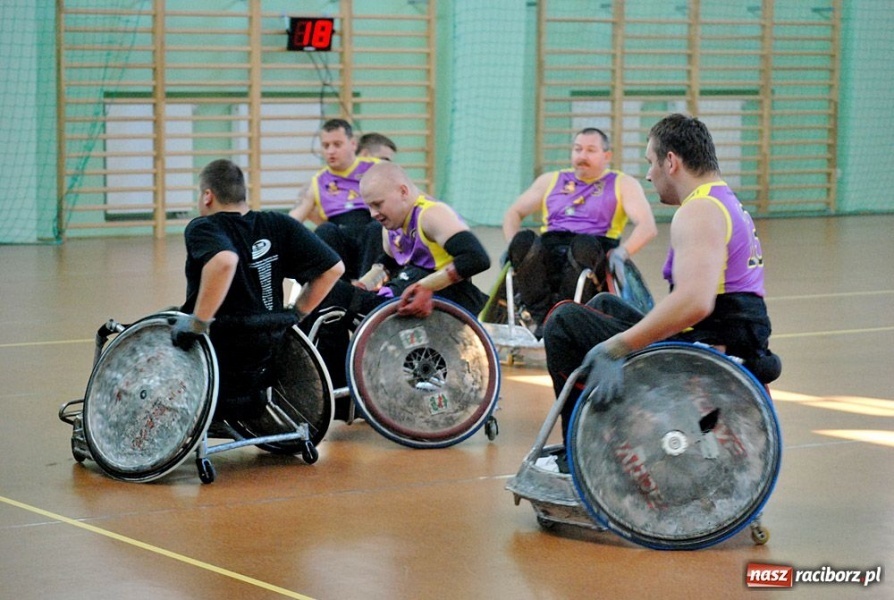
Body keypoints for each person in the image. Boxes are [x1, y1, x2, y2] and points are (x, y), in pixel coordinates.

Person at [543, 114, 781, 440]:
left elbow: (694, 303)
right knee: (604, 304)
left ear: (671, 162)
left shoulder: (699, 211)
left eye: (651, 163)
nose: (648, 174)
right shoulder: (724, 200)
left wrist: (618, 347)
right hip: (727, 336)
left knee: (564, 321)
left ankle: (584, 444)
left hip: (706, 352)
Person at [301, 161, 491, 417]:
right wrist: (364, 284)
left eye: (377, 204)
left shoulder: (432, 214)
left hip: (445, 299)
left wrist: (427, 286)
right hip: (404, 292)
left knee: (329, 294)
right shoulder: (392, 226)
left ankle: (336, 391)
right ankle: (335, 387)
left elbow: (476, 258)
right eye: (369, 206)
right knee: (330, 302)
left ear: (403, 191)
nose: (372, 213)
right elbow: (387, 263)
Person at [172, 159, 345, 420]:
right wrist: (295, 315)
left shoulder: (204, 227)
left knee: (166, 325)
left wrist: (198, 323)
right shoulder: (277, 223)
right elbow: (334, 269)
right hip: (267, 349)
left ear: (208, 196)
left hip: (218, 353)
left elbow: (224, 261)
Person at [501, 127, 658, 336]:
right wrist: (512, 244)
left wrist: (622, 252)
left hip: (592, 248)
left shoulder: (622, 183)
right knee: (523, 240)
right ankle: (544, 317)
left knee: (583, 244)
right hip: (550, 247)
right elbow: (514, 212)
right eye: (578, 149)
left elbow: (647, 226)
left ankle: (561, 315)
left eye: (591, 150)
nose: (582, 156)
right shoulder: (551, 180)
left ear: (607, 156)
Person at [289, 118, 382, 281]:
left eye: (337, 144)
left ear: (353, 144)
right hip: (341, 245)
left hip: (371, 239)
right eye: (326, 146)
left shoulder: (375, 168)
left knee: (377, 229)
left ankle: (369, 289)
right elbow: (292, 220)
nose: (330, 151)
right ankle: (336, 292)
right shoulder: (318, 181)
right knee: (325, 231)